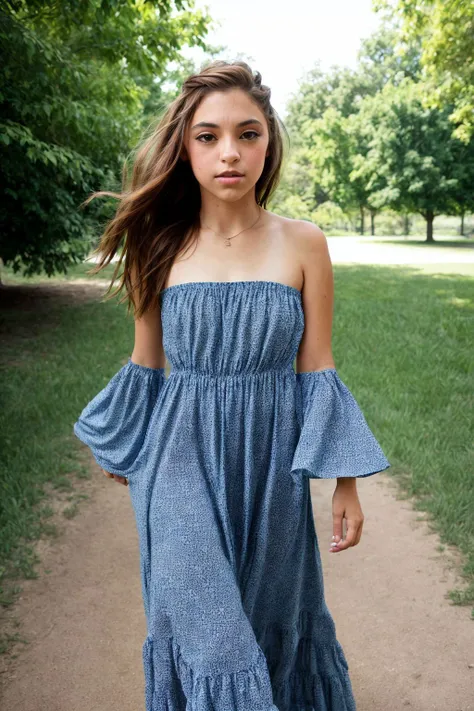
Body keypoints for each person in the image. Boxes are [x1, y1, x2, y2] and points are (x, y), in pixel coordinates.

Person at [74, 60, 390, 711]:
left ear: (268, 143)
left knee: (266, 617)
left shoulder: (304, 245)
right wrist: (126, 441)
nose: (229, 153)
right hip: (177, 462)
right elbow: (146, 363)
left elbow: (318, 370)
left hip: (271, 469)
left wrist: (346, 483)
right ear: (184, 146)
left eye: (248, 134)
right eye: (208, 136)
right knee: (214, 642)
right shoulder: (158, 244)